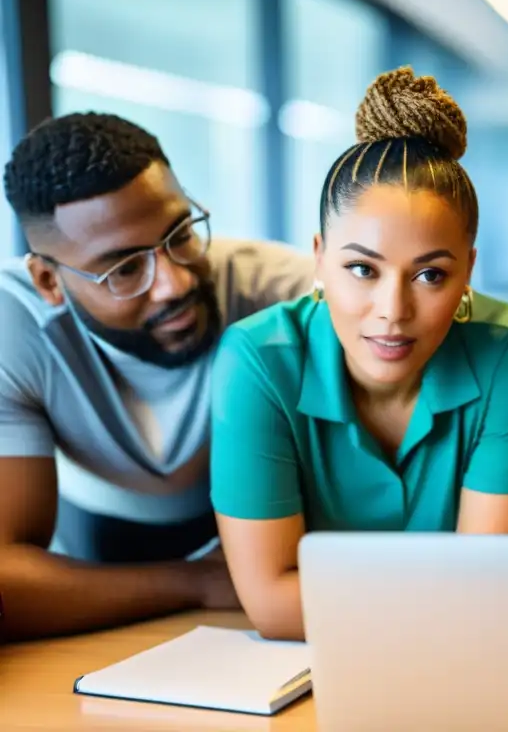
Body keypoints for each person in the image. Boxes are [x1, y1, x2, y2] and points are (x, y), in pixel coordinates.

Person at [210, 67, 508, 642]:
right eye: (361, 269)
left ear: (468, 271)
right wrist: (456, 604)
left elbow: (494, 590)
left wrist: (335, 604)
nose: (392, 309)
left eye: (430, 274)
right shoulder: (256, 360)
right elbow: (271, 606)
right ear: (319, 259)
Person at [0, 112, 313, 642]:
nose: (174, 282)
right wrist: (194, 582)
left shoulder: (283, 290)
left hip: (272, 525)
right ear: (50, 281)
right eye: (124, 269)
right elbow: (8, 581)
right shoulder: (16, 326)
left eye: (181, 234)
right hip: (96, 532)